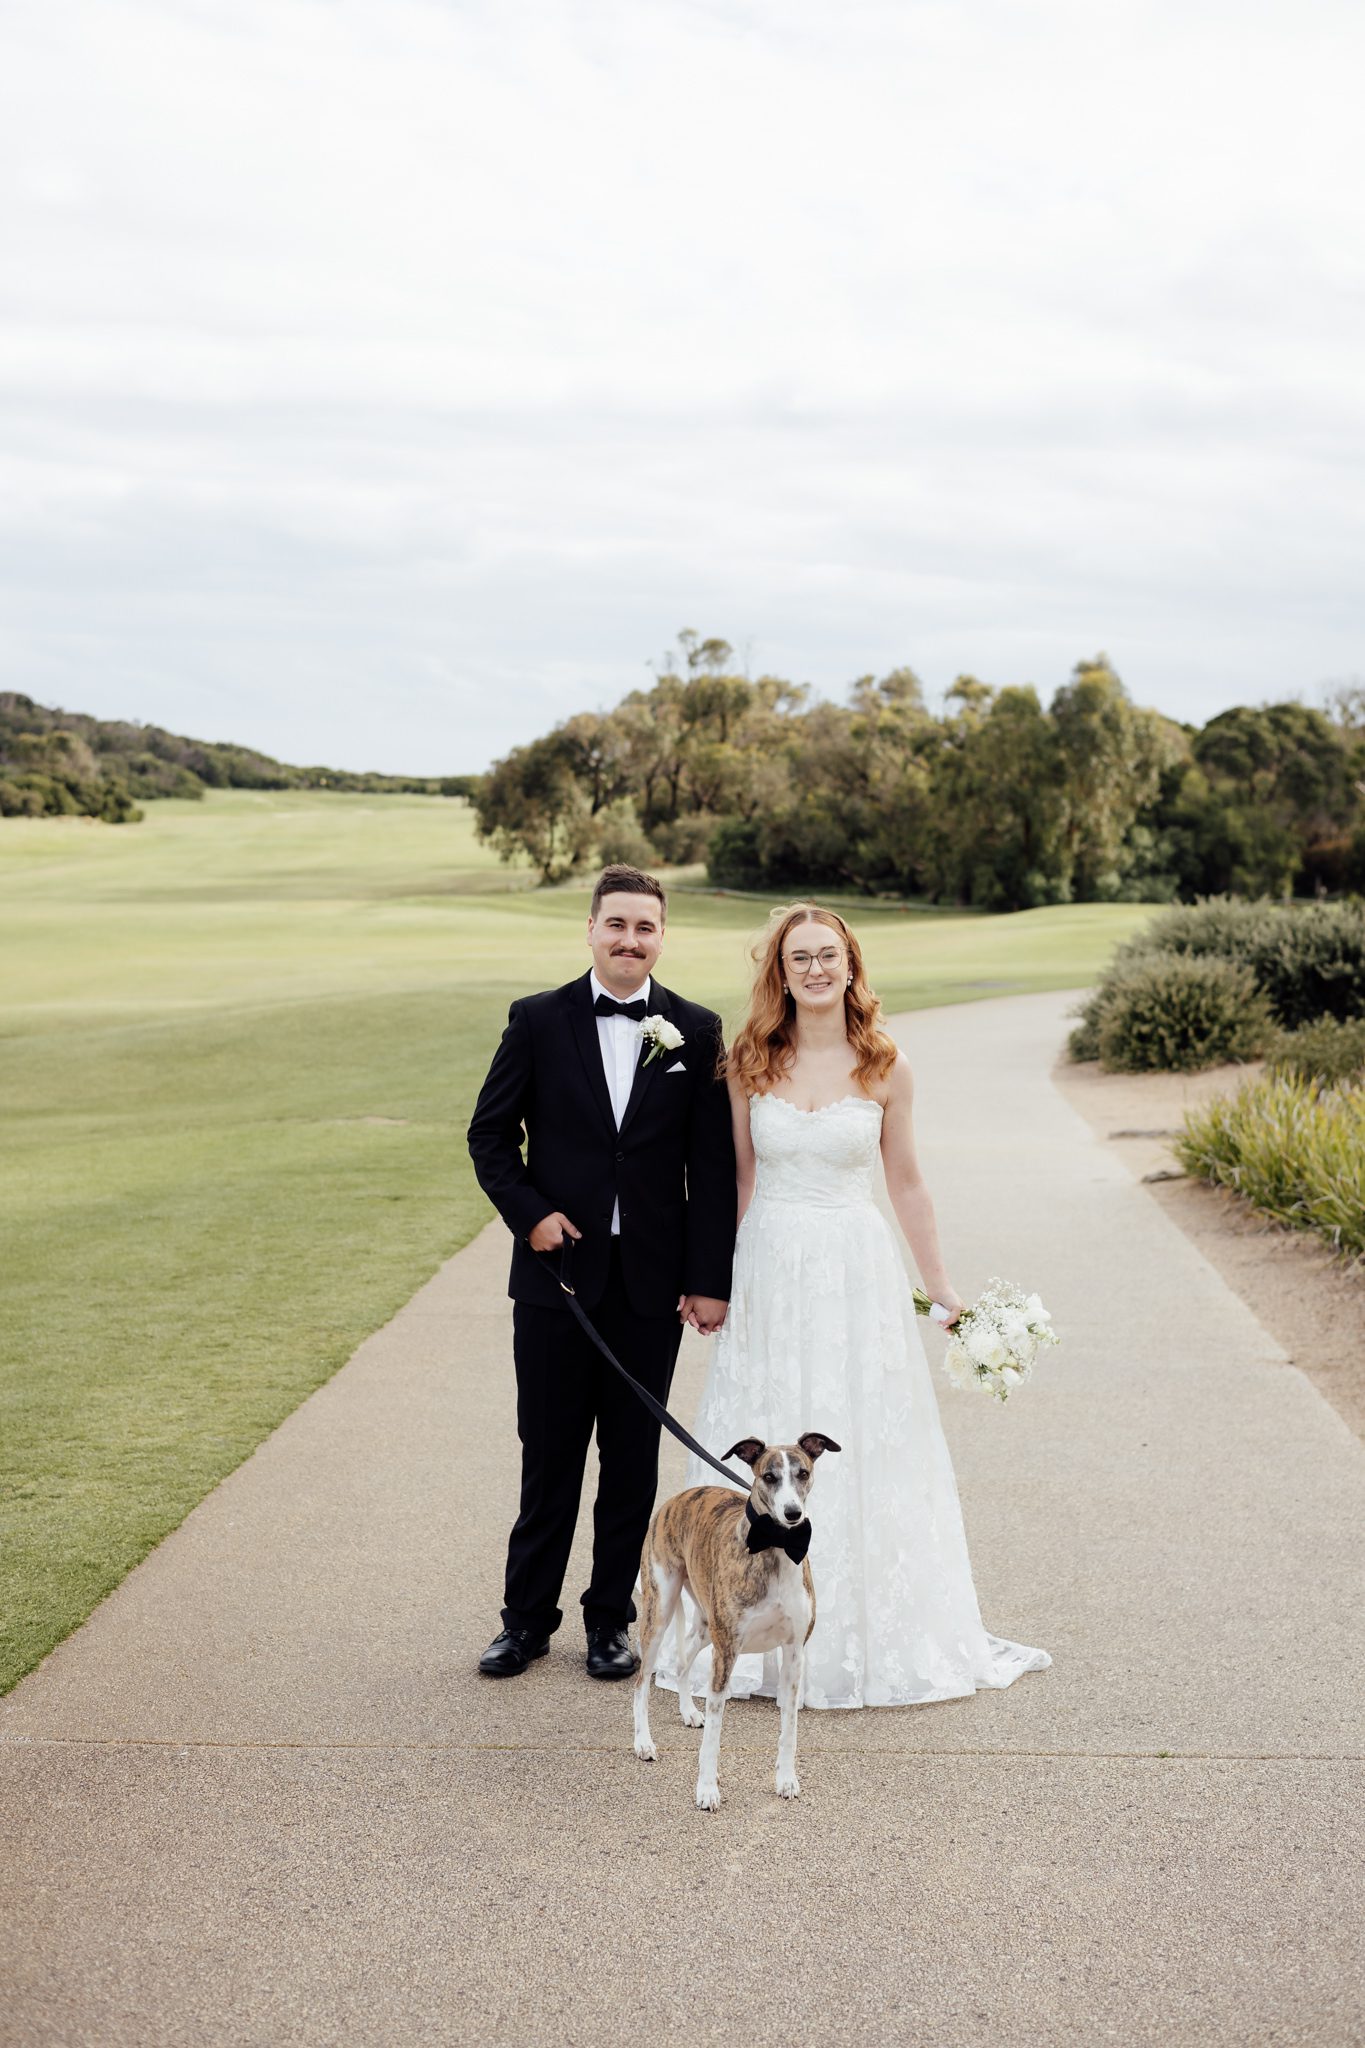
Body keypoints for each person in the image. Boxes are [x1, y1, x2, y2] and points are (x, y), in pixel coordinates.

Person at [654, 902, 1050, 1710]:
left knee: (861, 1432)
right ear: (780, 971)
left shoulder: (886, 1065)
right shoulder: (749, 1061)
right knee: (765, 1416)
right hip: (768, 1265)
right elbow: (734, 1181)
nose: (814, 969)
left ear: (849, 963)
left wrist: (942, 1288)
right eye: (798, 957)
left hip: (854, 1270)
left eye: (826, 954)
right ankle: (742, 1631)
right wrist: (712, 1280)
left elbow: (906, 1183)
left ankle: (862, 1638)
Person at [467, 864, 736, 1680]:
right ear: (590, 929)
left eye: (644, 927)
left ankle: (609, 1622)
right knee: (549, 1458)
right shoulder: (537, 1020)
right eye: (615, 924)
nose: (629, 939)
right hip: (556, 1281)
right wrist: (531, 1214)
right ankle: (524, 1622)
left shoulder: (696, 1029)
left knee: (629, 1463)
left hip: (650, 1286)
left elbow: (711, 1169)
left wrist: (708, 1279)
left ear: (662, 937)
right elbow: (489, 1137)